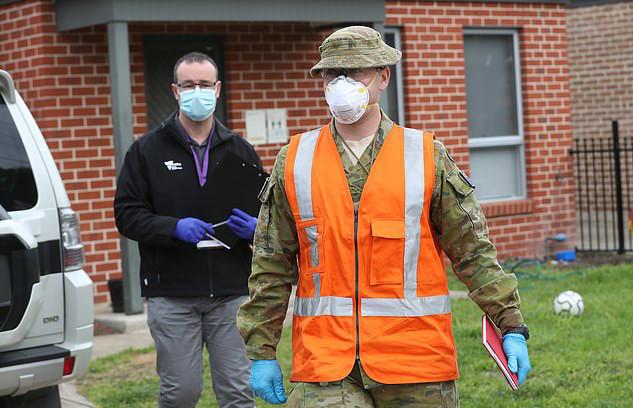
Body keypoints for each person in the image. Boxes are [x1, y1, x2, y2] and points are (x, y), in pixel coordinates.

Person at [237, 26, 531, 407]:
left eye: (355, 71)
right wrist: (261, 348)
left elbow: (473, 251)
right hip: (327, 366)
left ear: (383, 77)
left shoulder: (426, 156)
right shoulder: (294, 161)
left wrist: (510, 324)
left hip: (415, 361)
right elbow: (270, 263)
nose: (342, 83)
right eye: (332, 73)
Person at [114, 51, 260, 408]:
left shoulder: (241, 150)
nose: (198, 91)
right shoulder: (146, 151)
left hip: (230, 292)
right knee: (181, 393)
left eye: (205, 85)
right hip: (172, 294)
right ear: (176, 91)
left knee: (238, 394)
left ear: (218, 89)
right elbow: (127, 214)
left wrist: (257, 228)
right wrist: (172, 228)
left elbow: (268, 216)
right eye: (190, 85)